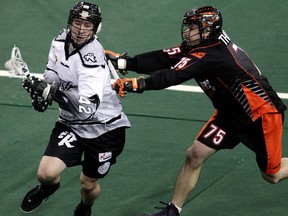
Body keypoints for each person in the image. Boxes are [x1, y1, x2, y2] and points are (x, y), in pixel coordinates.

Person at [107, 6, 288, 216]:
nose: (187, 32)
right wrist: (124, 62)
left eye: (193, 28)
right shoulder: (202, 44)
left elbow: (173, 75)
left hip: (260, 116)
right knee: (194, 154)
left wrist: (138, 85)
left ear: (208, 30)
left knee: (272, 175)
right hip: (229, 114)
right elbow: (166, 57)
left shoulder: (212, 55)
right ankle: (172, 211)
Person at [20, 1, 131, 216]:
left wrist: (52, 93)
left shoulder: (93, 58)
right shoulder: (60, 39)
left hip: (105, 129)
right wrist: (45, 90)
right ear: (70, 22)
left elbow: (88, 107)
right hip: (71, 124)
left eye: (87, 25)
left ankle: (85, 207)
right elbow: (52, 71)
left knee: (88, 184)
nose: (81, 29)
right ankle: (49, 188)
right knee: (45, 173)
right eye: (77, 22)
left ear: (96, 28)